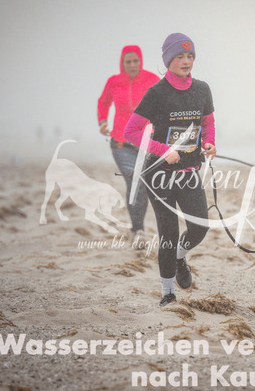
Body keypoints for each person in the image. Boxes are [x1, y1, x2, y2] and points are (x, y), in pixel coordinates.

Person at [123, 33, 217, 307]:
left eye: (190, 56)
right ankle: (168, 293)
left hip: (189, 173)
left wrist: (209, 142)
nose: (186, 61)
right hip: (159, 175)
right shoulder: (157, 93)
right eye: (180, 57)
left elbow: (207, 123)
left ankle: (179, 257)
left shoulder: (202, 90)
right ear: (168, 60)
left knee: (200, 227)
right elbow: (131, 131)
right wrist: (163, 150)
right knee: (168, 234)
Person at [97, 45, 160, 245]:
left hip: (146, 143)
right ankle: (139, 230)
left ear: (140, 61)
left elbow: (165, 103)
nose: (132, 65)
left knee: (142, 186)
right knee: (135, 180)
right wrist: (102, 121)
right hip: (121, 143)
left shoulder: (152, 80)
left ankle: (136, 229)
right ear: (122, 63)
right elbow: (103, 102)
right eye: (128, 62)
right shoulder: (114, 82)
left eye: (135, 61)